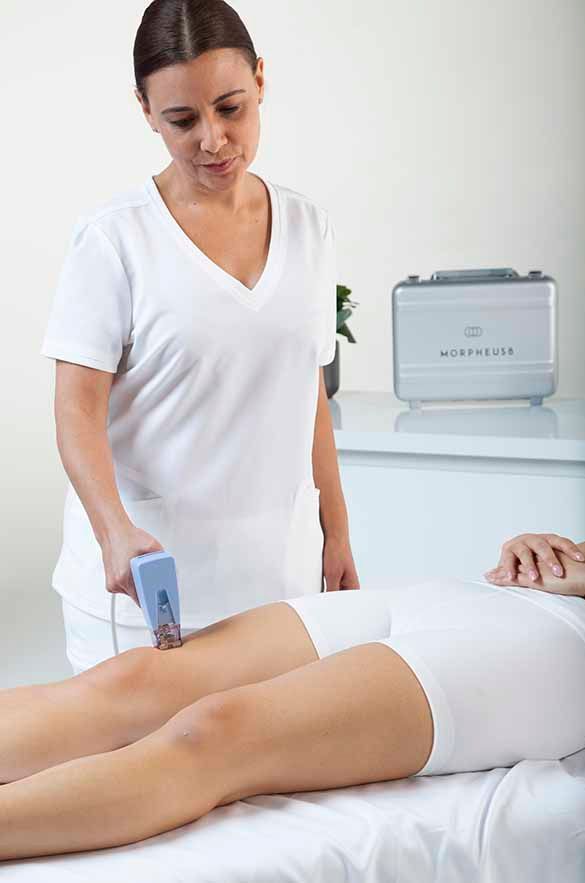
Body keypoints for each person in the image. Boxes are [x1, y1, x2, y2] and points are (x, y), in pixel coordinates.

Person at [40, 0, 359, 677]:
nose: (212, 140)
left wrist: (337, 530)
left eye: (232, 108)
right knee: (135, 776)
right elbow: (76, 411)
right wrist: (113, 530)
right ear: (146, 110)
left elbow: (309, 392)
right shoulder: (112, 239)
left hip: (280, 586)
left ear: (262, 81)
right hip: (147, 592)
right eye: (182, 120)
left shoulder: (309, 229)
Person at [1, 532, 585, 861]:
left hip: (560, 644)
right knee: (131, 680)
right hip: (489, 591)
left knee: (216, 731)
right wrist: (547, 545)